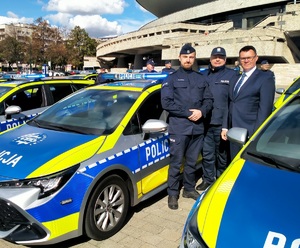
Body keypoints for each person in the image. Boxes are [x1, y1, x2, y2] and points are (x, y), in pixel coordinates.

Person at [161, 43, 213, 210]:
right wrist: (188, 113)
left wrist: (202, 111)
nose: (188, 60)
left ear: (194, 58)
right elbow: (166, 103)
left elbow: (209, 100)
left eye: (191, 57)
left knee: (191, 162)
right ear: (180, 58)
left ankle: (189, 189)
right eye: (185, 57)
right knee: (176, 162)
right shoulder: (171, 78)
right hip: (179, 128)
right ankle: (173, 193)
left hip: (197, 128)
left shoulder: (201, 78)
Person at [222, 45, 275, 160]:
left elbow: (264, 109)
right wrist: (225, 127)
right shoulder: (235, 78)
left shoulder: (265, 79)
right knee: (233, 162)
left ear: (256, 58)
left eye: (249, 57)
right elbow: (229, 103)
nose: (246, 61)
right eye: (243, 58)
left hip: (249, 132)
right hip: (233, 131)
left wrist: (255, 135)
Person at [196, 47, 238, 191]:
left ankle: (221, 180)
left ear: (225, 60)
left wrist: (226, 125)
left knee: (222, 155)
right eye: (215, 57)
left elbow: (232, 102)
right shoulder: (203, 75)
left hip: (222, 124)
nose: (217, 59)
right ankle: (208, 179)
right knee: (207, 154)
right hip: (206, 123)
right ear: (210, 59)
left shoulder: (232, 75)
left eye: (221, 57)